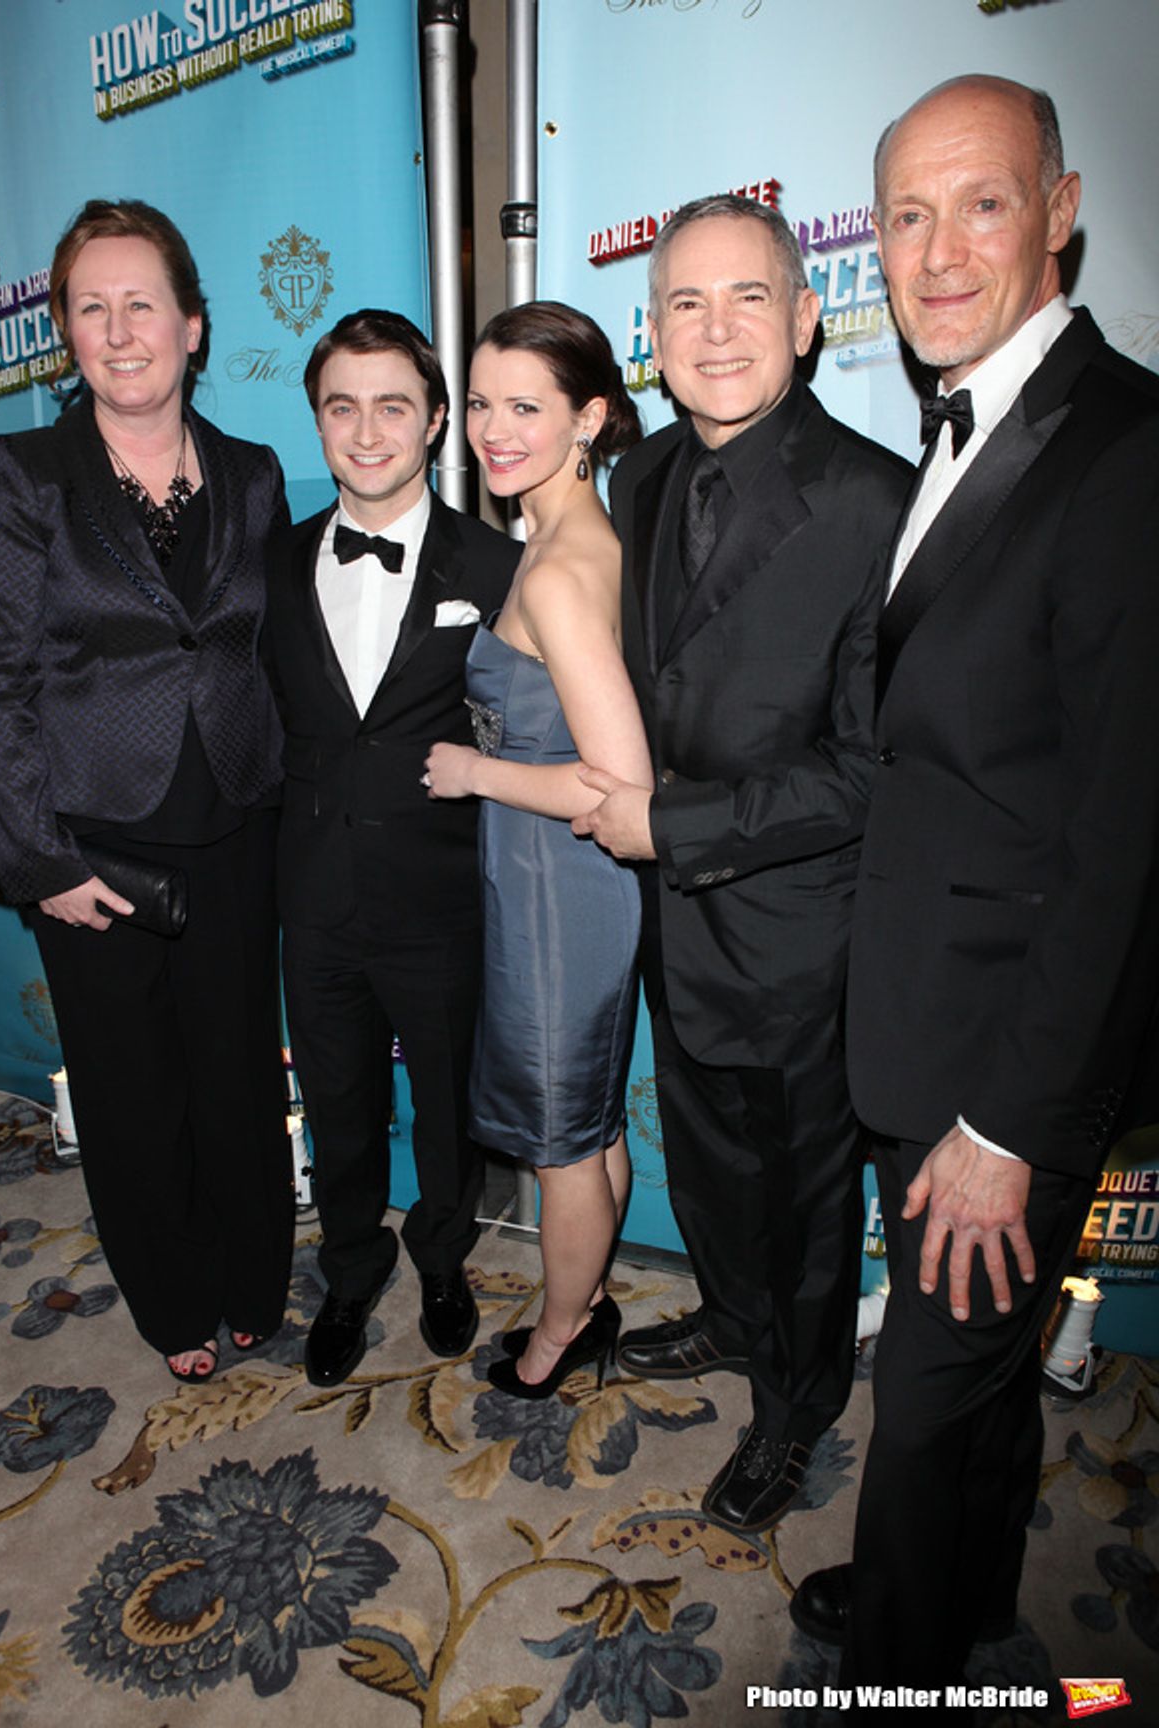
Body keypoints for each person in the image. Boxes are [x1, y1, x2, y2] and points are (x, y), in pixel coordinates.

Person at [789, 76, 1159, 1693]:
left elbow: (1128, 843)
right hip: (922, 1021)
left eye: (983, 204)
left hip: (1010, 1068)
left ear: (1060, 211)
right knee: (984, 1383)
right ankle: (968, 1600)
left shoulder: (1130, 449)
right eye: (907, 216)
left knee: (926, 1403)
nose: (938, 253)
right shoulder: (957, 423)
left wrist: (1008, 1128)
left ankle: (903, 1653)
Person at [576, 196, 912, 1528]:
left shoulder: (878, 503)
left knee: (805, 1203)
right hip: (666, 925)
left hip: (797, 938)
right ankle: (728, 1317)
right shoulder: (644, 474)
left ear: (810, 318)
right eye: (685, 305)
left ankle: (797, 1402)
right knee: (712, 1163)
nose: (716, 332)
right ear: (649, 332)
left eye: (748, 299)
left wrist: (678, 828)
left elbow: (870, 767)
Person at [0, 199, 294, 1381]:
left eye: (140, 303)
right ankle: (171, 1299)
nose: (119, 329)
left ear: (193, 327)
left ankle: (255, 1276)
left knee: (241, 1069)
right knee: (130, 1089)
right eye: (90, 309)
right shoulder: (25, 473)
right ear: (64, 333)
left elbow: (268, 650)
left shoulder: (255, 476)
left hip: (237, 819)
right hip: (93, 839)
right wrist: (39, 860)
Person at [264, 311, 517, 1387]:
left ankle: (445, 1259)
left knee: (449, 1104)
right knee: (338, 1101)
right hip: (314, 894)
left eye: (393, 406)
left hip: (442, 893)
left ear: (435, 422)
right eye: (342, 406)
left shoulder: (497, 563)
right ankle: (353, 1269)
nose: (367, 431)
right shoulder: (269, 563)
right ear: (319, 420)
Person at [424, 301, 649, 1398]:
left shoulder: (560, 569)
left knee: (564, 1139)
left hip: (562, 883)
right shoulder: (564, 537)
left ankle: (560, 1338)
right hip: (554, 882)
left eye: (526, 406)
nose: (492, 429)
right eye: (478, 403)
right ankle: (591, 1300)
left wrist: (475, 771)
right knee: (589, 1117)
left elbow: (617, 785)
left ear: (589, 417)